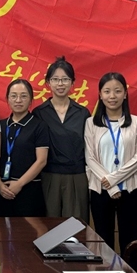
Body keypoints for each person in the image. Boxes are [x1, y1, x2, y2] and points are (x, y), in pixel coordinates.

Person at [85, 72, 137, 255]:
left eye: (117, 91)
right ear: (100, 95)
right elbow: (90, 158)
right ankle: (106, 272)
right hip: (101, 190)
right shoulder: (91, 123)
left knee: (130, 240)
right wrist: (110, 186)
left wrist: (113, 179)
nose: (112, 96)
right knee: (103, 240)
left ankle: (131, 271)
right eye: (107, 91)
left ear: (125, 94)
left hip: (130, 190)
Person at [33, 56, 91, 224]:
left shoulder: (82, 113)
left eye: (65, 79)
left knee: (75, 226)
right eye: (55, 79)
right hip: (49, 176)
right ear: (48, 83)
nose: (60, 84)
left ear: (72, 83)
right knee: (49, 225)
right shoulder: (39, 113)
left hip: (77, 176)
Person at [0, 79, 50, 217]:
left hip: (29, 188)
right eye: (13, 96)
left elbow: (41, 161)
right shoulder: (0, 125)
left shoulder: (39, 126)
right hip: (3, 189)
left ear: (31, 100)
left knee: (29, 229)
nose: (18, 100)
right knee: (4, 228)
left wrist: (19, 184)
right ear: (7, 99)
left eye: (23, 96)